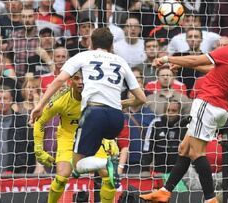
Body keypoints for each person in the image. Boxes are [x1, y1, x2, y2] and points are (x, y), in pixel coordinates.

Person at [139, 19, 228, 203]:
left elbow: (196, 59)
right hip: (221, 107)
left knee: (196, 153)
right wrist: (184, 64)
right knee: (184, 148)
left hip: (208, 103)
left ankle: (210, 199)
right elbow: (210, 68)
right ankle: (164, 191)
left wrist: (168, 58)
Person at [30, 27, 146, 188]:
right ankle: (107, 164)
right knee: (93, 163)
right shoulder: (121, 61)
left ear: (90, 43)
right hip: (116, 119)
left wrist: (40, 104)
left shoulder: (83, 56)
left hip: (94, 113)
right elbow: (141, 98)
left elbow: (58, 81)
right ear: (112, 45)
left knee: (77, 166)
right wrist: (121, 104)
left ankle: (107, 162)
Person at [33, 71, 124, 203]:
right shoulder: (61, 100)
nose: (81, 82)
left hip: (93, 136)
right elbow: (40, 120)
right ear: (70, 81)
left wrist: (109, 139)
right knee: (62, 176)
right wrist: (39, 149)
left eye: (84, 78)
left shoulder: (98, 98)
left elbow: (108, 118)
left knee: (108, 177)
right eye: (77, 78)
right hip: (68, 138)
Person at [0, 86, 36, 174]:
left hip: (17, 173)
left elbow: (30, 146)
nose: (2, 102)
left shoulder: (22, 121)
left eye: (5, 98)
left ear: (11, 100)